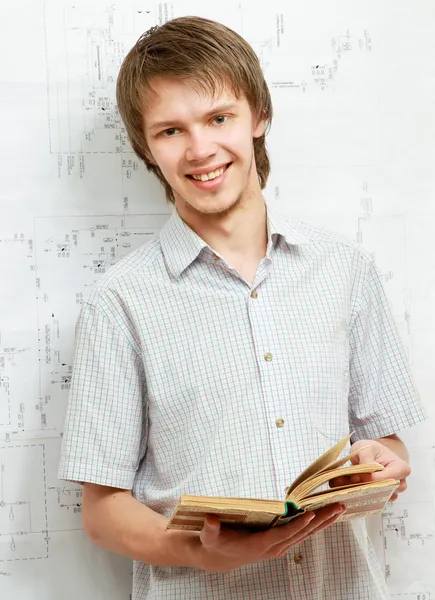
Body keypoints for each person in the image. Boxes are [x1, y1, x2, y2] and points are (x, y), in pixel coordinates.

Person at [58, 15, 427, 600]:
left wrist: (384, 463)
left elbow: (389, 445)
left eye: (218, 118)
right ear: (147, 150)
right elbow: (103, 511)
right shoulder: (119, 303)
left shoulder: (344, 269)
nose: (201, 149)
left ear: (259, 115)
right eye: (170, 131)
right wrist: (202, 553)